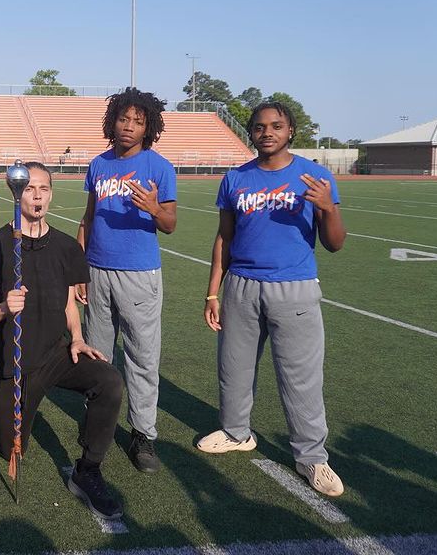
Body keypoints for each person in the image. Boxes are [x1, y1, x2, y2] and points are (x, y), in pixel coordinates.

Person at [198, 102, 347, 498]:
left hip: (294, 287)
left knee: (301, 378)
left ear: (291, 131)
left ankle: (311, 456)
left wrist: (327, 208)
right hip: (241, 286)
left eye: (276, 126)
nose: (267, 132)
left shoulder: (314, 176)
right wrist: (214, 290)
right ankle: (236, 432)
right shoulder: (235, 179)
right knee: (234, 368)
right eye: (260, 126)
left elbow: (334, 244)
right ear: (251, 132)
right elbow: (224, 238)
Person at [0, 163, 125, 520]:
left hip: (56, 353)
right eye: (29, 188)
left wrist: (78, 337)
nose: (37, 195)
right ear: (16, 193)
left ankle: (88, 470)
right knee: (12, 449)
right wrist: (4, 308)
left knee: (109, 380)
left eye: (44, 188)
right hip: (14, 360)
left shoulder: (68, 246)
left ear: (51, 194)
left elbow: (69, 301)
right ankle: (8, 413)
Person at [76, 88, 177, 473]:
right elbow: (88, 218)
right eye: (123, 118)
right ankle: (98, 423)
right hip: (97, 271)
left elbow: (170, 224)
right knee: (97, 356)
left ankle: (142, 434)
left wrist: (153, 209)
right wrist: (79, 271)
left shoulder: (159, 167)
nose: (128, 126)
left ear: (149, 126)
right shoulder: (98, 165)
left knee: (141, 357)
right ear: (112, 121)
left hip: (139, 275)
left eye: (137, 121)